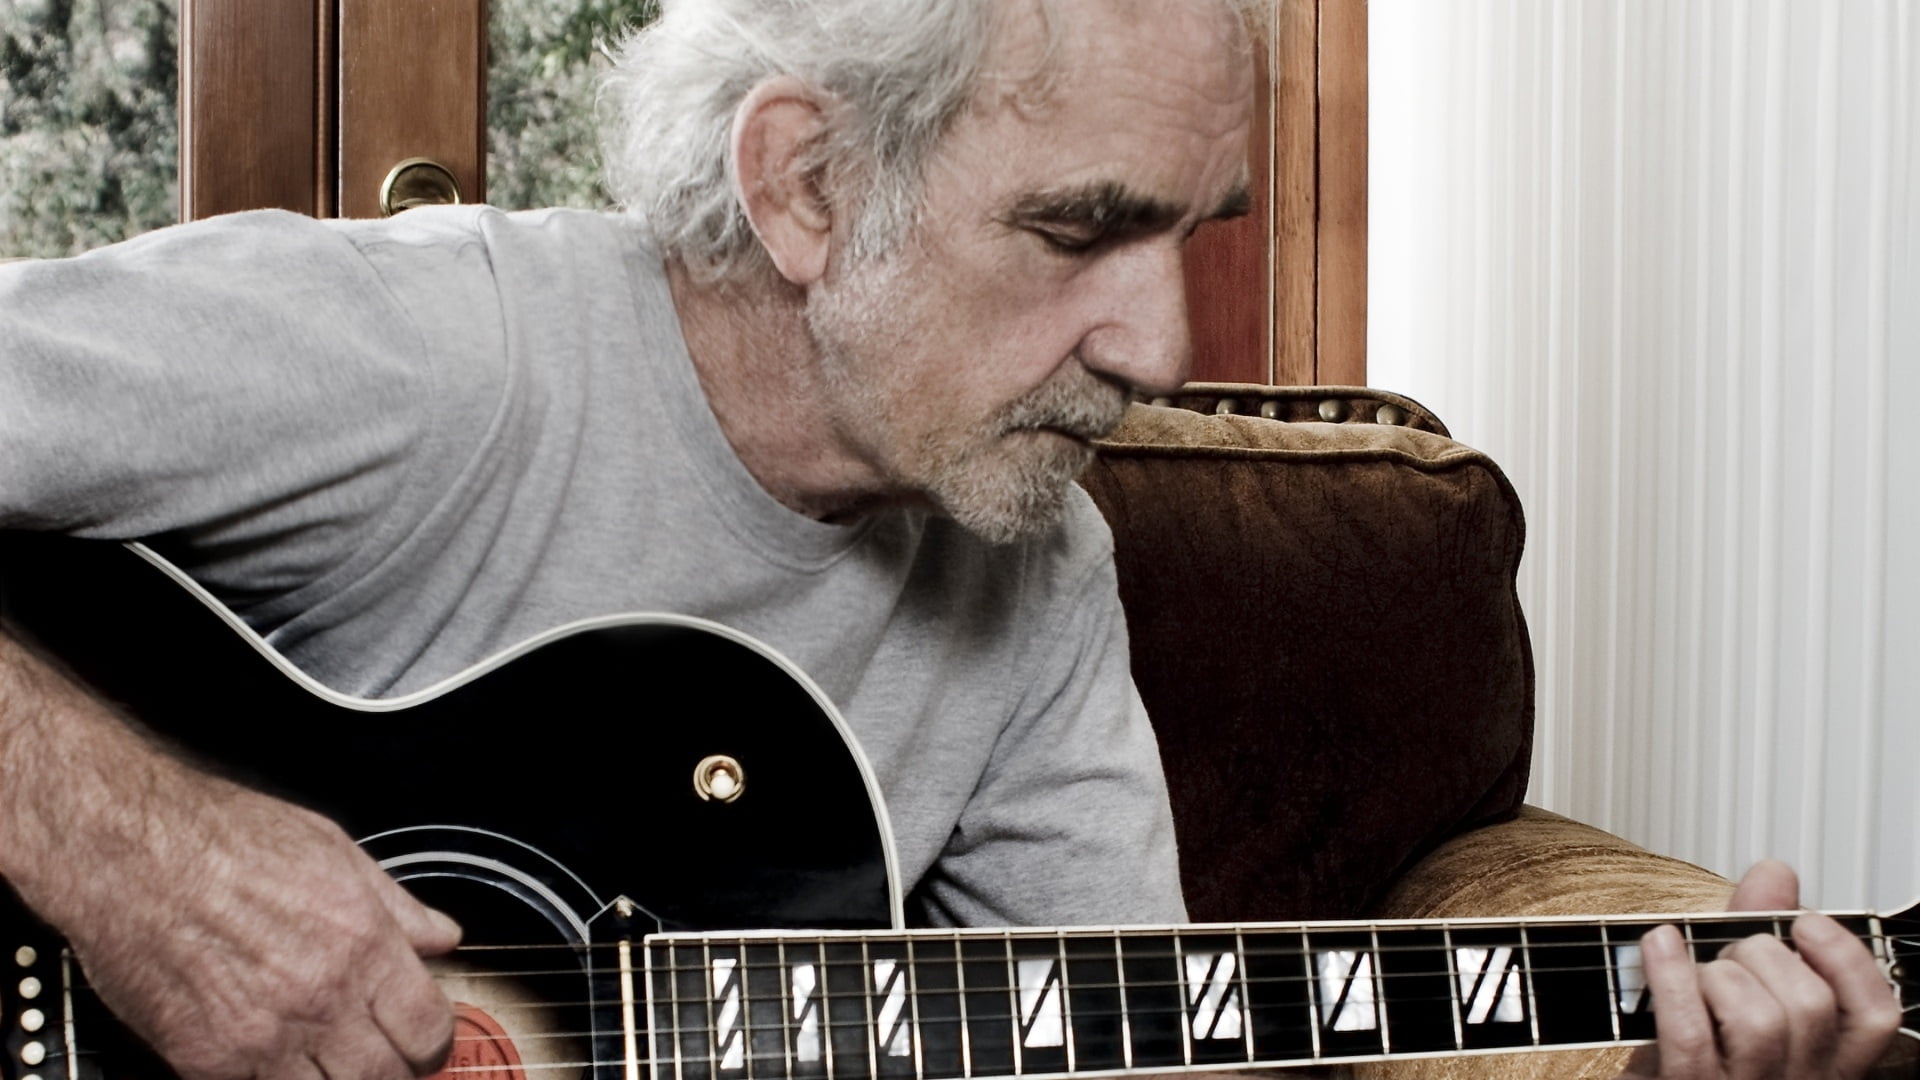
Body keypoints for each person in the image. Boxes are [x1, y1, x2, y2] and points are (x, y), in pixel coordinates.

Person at [0, 2, 1899, 1080]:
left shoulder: (1032, 562)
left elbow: (1145, 1043)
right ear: (810, 185)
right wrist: (139, 853)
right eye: (1082, 231)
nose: (1157, 351)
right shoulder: (429, 357)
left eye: (1199, 235)